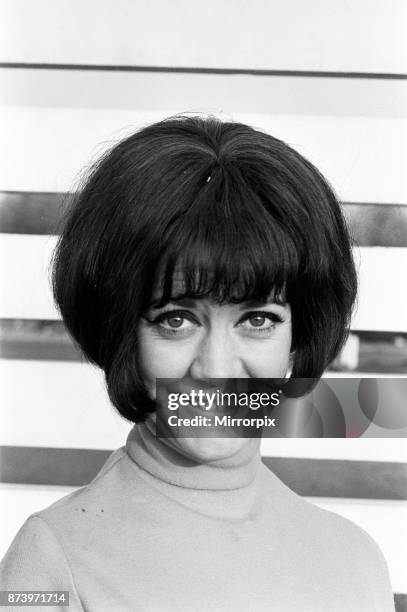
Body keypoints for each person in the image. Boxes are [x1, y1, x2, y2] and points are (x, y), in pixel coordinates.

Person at [0, 115, 395, 611]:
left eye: (257, 319)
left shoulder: (355, 560)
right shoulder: (50, 563)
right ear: (123, 329)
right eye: (177, 319)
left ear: (301, 334)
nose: (214, 366)